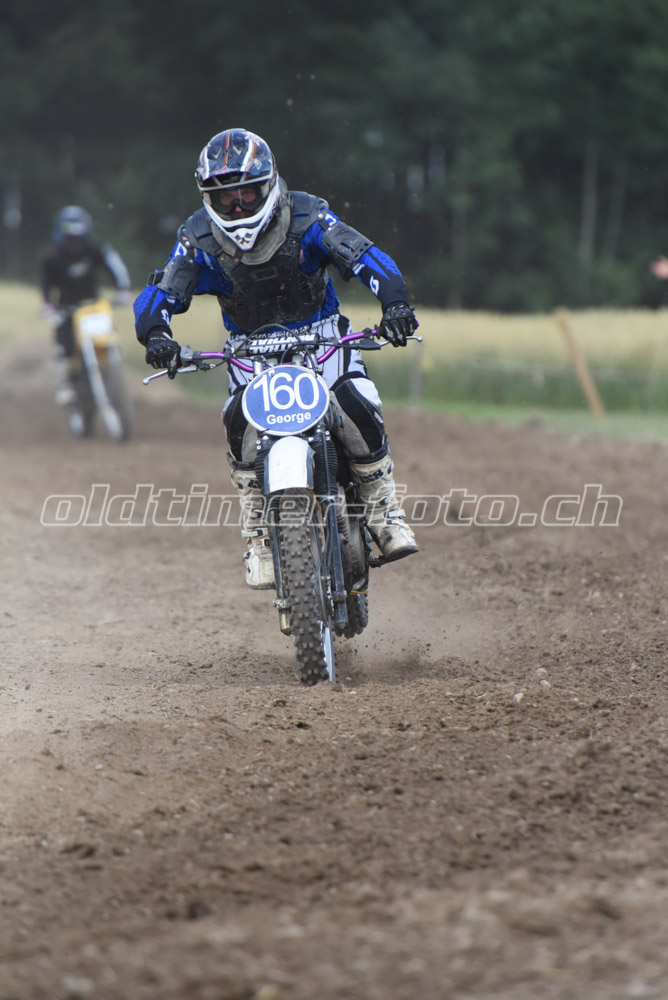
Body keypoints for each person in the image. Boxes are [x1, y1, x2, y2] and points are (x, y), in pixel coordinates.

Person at [134, 127, 419, 589]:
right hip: (248, 350)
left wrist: (396, 305)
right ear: (208, 198)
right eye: (225, 199)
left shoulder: (308, 216)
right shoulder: (197, 237)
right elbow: (162, 290)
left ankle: (383, 507)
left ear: (268, 185)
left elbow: (365, 256)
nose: (238, 207)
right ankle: (259, 531)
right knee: (238, 422)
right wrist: (157, 336)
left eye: (246, 194)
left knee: (356, 400)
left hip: (323, 338)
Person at [41, 205, 132, 408]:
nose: (75, 243)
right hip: (67, 308)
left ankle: (114, 372)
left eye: (78, 238)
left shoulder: (95, 250)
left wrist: (123, 289)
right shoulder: (53, 257)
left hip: (93, 306)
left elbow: (115, 266)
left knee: (109, 334)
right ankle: (65, 384)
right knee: (63, 345)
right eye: (71, 239)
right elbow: (46, 284)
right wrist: (48, 305)